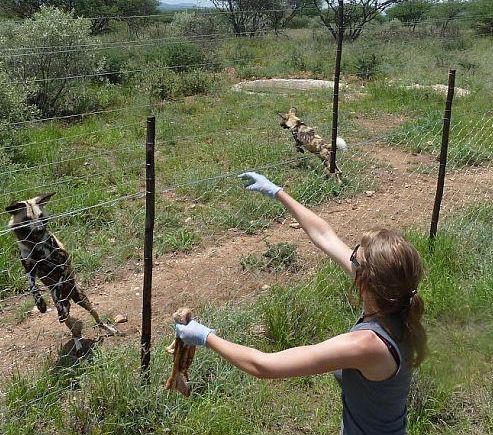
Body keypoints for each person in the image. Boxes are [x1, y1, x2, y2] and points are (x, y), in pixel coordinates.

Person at [175, 171, 427, 435]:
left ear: (366, 280)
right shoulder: (397, 304)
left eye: (354, 257)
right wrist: (278, 193)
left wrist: (205, 337)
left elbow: (263, 365)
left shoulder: (366, 345)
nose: (348, 256)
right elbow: (325, 236)